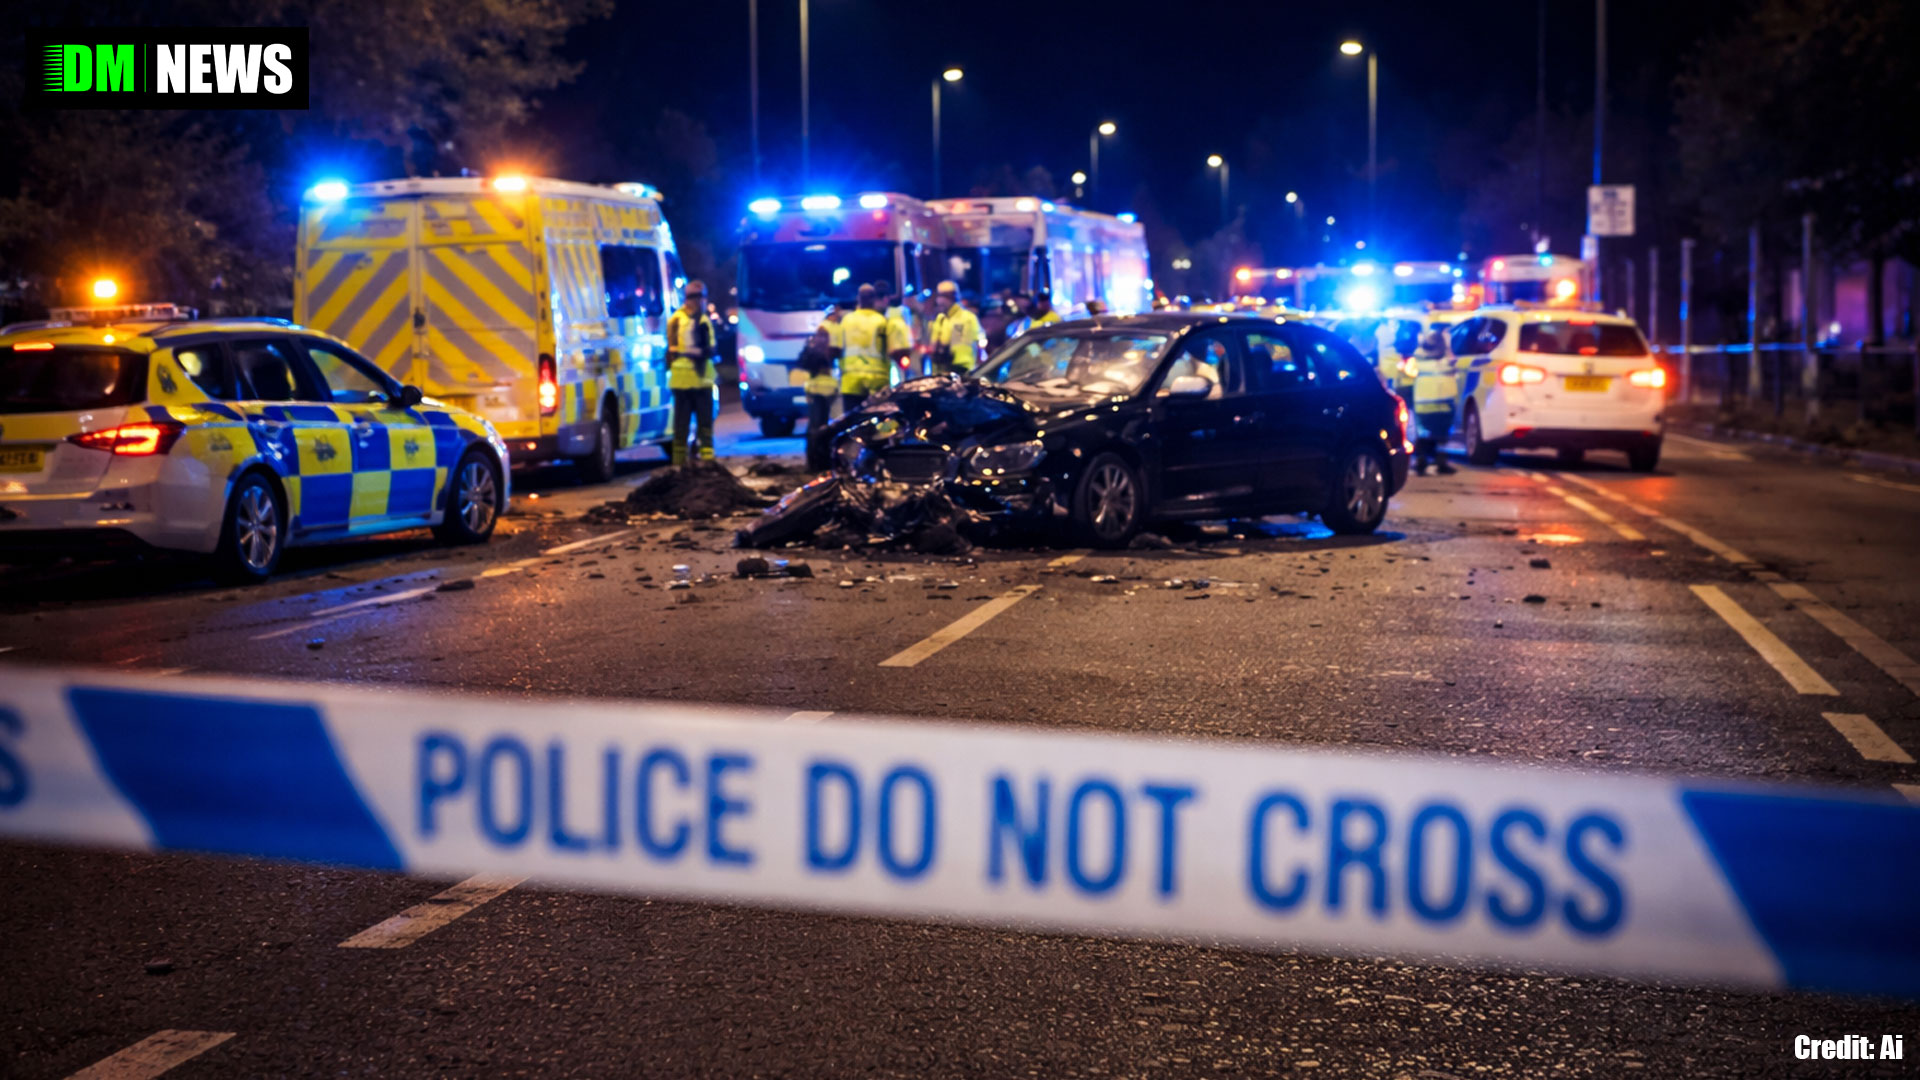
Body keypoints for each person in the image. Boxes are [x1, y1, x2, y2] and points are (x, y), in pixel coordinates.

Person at [665, 279, 719, 465]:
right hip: (699, 380)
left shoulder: (676, 319)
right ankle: (707, 463)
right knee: (704, 426)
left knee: (681, 426)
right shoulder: (701, 320)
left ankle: (679, 464)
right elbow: (711, 349)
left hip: (683, 382)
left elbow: (670, 352)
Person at [832, 283, 909, 413]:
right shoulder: (881, 321)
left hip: (851, 381)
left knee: (852, 421)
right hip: (877, 381)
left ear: (858, 299)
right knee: (877, 420)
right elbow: (894, 350)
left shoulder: (846, 320)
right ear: (873, 299)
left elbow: (837, 349)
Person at [1410, 326, 1458, 475]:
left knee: (1424, 435)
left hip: (1423, 404)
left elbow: (1408, 374)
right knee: (1442, 437)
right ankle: (1440, 463)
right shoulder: (1447, 360)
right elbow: (1454, 363)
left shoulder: (1417, 359)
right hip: (1444, 404)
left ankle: (1421, 462)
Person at [794, 325, 838, 472]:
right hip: (818, 392)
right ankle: (816, 463)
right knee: (816, 429)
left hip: (824, 392)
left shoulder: (824, 350)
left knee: (818, 427)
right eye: (821, 336)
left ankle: (818, 461)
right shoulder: (816, 351)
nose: (822, 339)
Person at [927, 280, 983, 377]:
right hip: (941, 370)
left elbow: (980, 344)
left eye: (943, 296)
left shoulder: (968, 318)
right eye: (939, 296)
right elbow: (933, 345)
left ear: (952, 297)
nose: (939, 300)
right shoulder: (940, 319)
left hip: (964, 371)